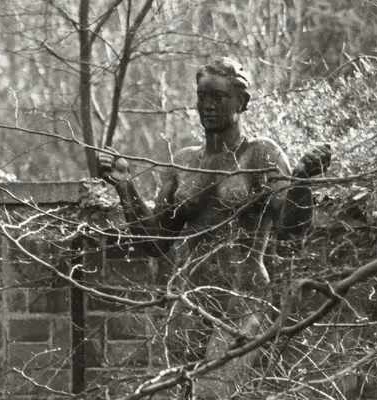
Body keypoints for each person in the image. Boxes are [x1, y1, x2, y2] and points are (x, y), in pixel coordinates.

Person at [97, 57, 331, 385]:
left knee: (217, 391)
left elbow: (291, 231)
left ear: (242, 102)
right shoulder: (184, 162)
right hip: (190, 302)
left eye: (219, 98)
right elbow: (154, 242)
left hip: (244, 302)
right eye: (203, 97)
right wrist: (125, 186)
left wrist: (302, 184)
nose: (208, 105)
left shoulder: (261, 155)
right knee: (178, 390)